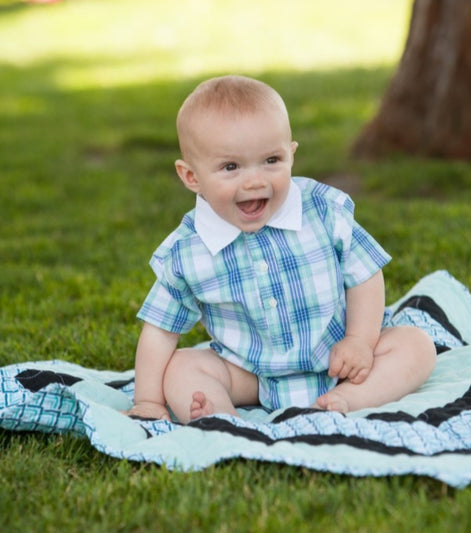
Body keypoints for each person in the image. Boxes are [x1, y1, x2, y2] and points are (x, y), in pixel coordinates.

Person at [125, 75, 436, 424]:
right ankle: (221, 419)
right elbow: (160, 328)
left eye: (271, 160)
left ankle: (346, 400)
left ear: (291, 155)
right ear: (191, 177)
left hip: (338, 359)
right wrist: (149, 400)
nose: (255, 180)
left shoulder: (322, 212)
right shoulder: (188, 252)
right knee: (181, 367)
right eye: (231, 167)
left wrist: (359, 341)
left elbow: (365, 274)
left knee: (416, 346)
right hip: (251, 375)